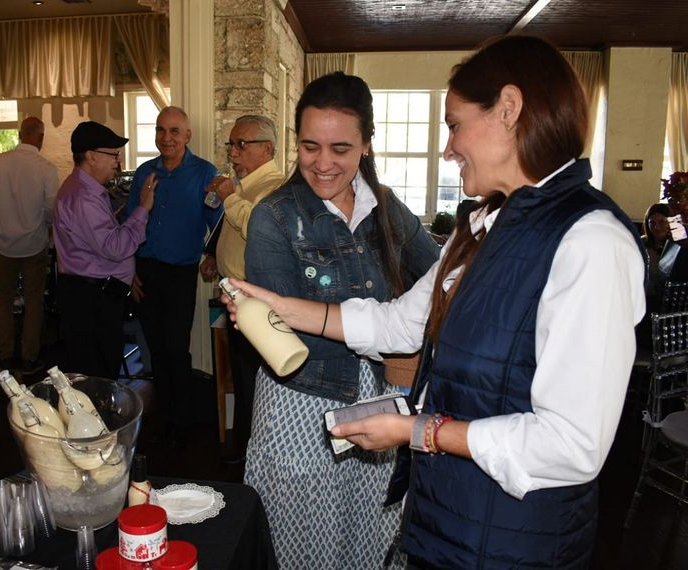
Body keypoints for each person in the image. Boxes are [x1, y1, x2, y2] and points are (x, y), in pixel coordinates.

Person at [224, 36, 646, 569]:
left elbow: (572, 445)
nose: (446, 148)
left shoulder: (590, 241)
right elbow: (400, 324)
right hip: (455, 518)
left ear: (509, 109)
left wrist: (416, 429)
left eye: (453, 125)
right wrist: (283, 305)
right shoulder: (483, 226)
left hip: (514, 535)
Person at [240, 72, 439, 569]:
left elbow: (442, 277)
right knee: (303, 549)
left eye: (340, 148)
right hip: (301, 404)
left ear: (366, 146)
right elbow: (284, 337)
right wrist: (391, 332)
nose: (323, 163)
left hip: (378, 405)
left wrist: (403, 334)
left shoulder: (387, 208)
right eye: (310, 147)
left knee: (371, 541)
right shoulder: (275, 216)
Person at [124, 106, 220, 446]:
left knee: (176, 347)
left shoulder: (205, 173)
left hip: (180, 273)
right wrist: (129, 267)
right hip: (146, 271)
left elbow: (218, 224)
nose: (167, 137)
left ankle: (181, 418)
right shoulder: (145, 173)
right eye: (161, 130)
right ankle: (163, 412)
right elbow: (133, 221)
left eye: (174, 131)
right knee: (154, 346)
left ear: (187, 136)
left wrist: (212, 255)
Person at [201, 115, 286, 460]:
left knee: (252, 377)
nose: (233, 152)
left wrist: (227, 197)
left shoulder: (276, 186)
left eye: (241, 144)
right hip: (235, 296)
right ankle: (244, 444)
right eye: (231, 144)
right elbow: (233, 229)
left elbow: (259, 229)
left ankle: (252, 450)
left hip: (256, 300)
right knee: (242, 371)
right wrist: (213, 255)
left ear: (266, 149)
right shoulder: (244, 184)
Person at [53, 121, 155, 378]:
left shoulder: (87, 190)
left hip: (92, 294)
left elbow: (98, 241)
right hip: (90, 299)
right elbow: (114, 247)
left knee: (98, 366)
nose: (117, 162)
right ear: (90, 156)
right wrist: (143, 208)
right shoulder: (84, 196)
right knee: (96, 375)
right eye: (113, 154)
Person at [0, 117, 59, 374]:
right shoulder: (46, 168)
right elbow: (51, 208)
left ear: (19, 134)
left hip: (3, 243)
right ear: (41, 137)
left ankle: (5, 354)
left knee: (4, 300)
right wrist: (48, 229)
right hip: (34, 243)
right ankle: (29, 356)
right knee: (34, 301)